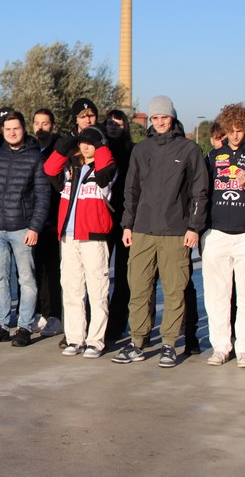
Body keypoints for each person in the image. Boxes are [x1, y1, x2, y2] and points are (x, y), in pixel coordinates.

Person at [115, 95, 207, 368]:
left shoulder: (189, 149)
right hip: (142, 230)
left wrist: (194, 227)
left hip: (175, 231)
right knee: (139, 288)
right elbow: (131, 190)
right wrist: (128, 224)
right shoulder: (141, 150)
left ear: (172, 117)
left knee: (174, 290)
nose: (159, 122)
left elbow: (199, 191)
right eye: (155, 118)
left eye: (164, 117)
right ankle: (137, 341)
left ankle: (169, 344)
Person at [202, 103, 245, 369]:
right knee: (217, 295)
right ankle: (221, 347)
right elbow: (201, 193)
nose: (234, 135)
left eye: (239, 130)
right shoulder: (212, 157)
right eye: (230, 130)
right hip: (216, 233)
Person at [0, 109, 51, 347]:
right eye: (7, 129)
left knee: (27, 280)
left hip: (22, 229)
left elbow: (43, 196)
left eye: (16, 128)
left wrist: (35, 227)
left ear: (24, 129)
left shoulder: (35, 157)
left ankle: (24, 327)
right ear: (2, 130)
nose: (12, 132)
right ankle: (2, 325)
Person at [44, 126, 117, 358]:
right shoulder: (71, 167)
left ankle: (96, 341)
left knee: (97, 291)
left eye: (91, 143)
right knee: (72, 290)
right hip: (69, 237)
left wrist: (100, 145)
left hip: (93, 238)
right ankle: (75, 338)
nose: (86, 146)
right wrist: (67, 142)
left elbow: (104, 175)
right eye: (82, 142)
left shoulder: (107, 167)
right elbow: (49, 168)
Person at [32, 107, 63, 338]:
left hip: (53, 220)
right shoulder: (30, 149)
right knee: (35, 269)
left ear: (53, 126)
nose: (40, 128)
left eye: (45, 123)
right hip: (33, 221)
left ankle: (54, 315)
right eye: (37, 123)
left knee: (53, 271)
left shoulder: (60, 150)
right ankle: (39, 312)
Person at [103, 109, 133, 346]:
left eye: (119, 123)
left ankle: (116, 324)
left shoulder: (132, 151)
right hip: (102, 217)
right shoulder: (99, 149)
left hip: (125, 218)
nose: (114, 127)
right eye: (110, 123)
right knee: (100, 273)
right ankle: (98, 323)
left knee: (124, 275)